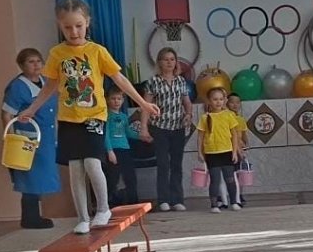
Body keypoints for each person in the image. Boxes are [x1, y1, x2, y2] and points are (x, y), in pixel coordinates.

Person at [18, 0, 159, 234]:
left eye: (78, 26)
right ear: (60, 25)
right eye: (67, 27)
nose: (74, 32)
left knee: (93, 163)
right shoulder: (57, 53)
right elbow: (50, 86)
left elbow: (119, 78)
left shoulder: (97, 51)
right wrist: (32, 109)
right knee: (75, 169)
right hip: (68, 119)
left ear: (87, 23)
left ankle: (103, 209)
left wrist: (143, 103)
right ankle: (83, 218)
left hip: (94, 116)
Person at [1, 48, 60, 229]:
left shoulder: (46, 82)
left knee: (42, 177)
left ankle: (35, 215)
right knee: (29, 177)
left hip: (46, 136)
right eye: (31, 62)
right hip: (27, 139)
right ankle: (30, 217)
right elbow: (7, 114)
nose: (36, 65)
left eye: (38, 61)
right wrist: (11, 138)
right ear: (21, 65)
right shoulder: (17, 87)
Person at [140, 47, 193, 212]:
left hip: (177, 128)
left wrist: (188, 114)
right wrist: (144, 128)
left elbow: (187, 102)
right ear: (159, 62)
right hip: (159, 127)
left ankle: (177, 199)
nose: (169, 62)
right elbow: (146, 106)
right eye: (166, 59)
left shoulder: (181, 81)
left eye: (172, 59)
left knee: (176, 164)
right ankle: (163, 199)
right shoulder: (153, 82)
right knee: (163, 164)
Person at [196, 88, 243, 213]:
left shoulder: (229, 115)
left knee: (230, 179)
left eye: (221, 99)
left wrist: (234, 152)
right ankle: (214, 205)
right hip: (211, 153)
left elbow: (234, 135)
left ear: (224, 100)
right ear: (209, 101)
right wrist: (200, 152)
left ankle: (234, 202)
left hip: (227, 151)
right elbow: (200, 137)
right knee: (215, 180)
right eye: (215, 99)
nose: (218, 102)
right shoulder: (205, 117)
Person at [103, 87, 147, 206]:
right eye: (113, 98)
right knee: (113, 178)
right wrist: (109, 150)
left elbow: (128, 132)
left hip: (125, 149)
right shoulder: (106, 116)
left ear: (123, 100)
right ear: (107, 100)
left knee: (130, 176)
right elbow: (105, 134)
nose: (116, 101)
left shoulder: (123, 117)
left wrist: (141, 137)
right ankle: (111, 204)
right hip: (113, 150)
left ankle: (133, 202)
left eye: (119, 99)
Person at [227, 92, 248, 207]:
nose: (235, 105)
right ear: (227, 103)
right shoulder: (227, 117)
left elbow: (244, 135)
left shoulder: (241, 119)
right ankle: (226, 196)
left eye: (237, 102)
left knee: (240, 173)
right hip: (229, 149)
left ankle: (239, 195)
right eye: (232, 102)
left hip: (240, 150)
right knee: (230, 174)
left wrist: (245, 146)